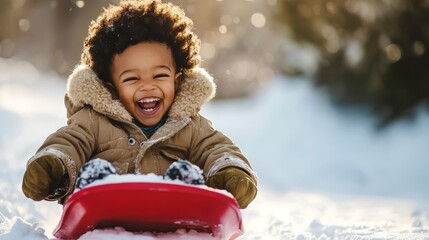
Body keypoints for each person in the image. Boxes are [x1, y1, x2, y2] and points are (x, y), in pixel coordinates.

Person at [22, 0, 257, 208]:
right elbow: (70, 141)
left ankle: (186, 187)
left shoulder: (190, 127)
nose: (147, 86)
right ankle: (97, 185)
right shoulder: (93, 121)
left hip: (173, 207)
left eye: (160, 76)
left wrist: (229, 171)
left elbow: (217, 149)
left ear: (177, 81)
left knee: (186, 175)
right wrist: (55, 164)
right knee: (95, 175)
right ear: (111, 87)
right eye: (132, 78)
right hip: (105, 206)